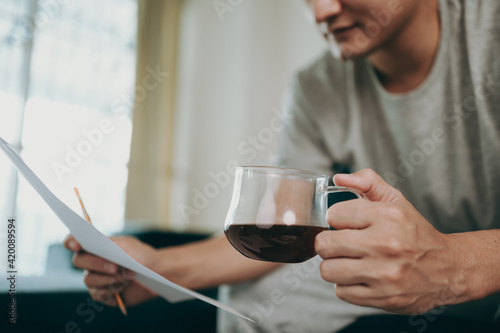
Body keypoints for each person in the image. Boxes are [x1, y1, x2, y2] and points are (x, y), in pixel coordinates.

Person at [64, 0, 500, 331]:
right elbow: (278, 227)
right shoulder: (317, 85)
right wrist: (158, 269)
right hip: (396, 275)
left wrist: (453, 263)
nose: (322, 11)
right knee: (261, 292)